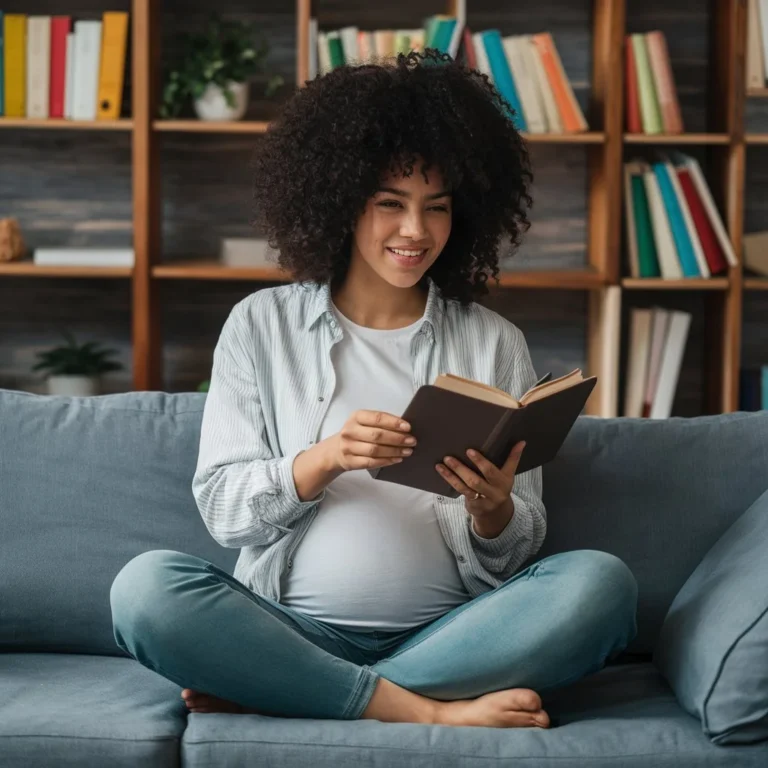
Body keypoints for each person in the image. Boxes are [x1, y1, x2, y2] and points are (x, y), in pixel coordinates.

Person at [110, 49, 638, 730]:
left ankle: (293, 690)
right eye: (391, 203)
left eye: (436, 208)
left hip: (452, 635)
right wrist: (326, 458)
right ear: (340, 198)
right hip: (292, 630)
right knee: (145, 590)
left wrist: (493, 510)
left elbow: (515, 554)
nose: (415, 231)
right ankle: (424, 711)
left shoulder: (494, 342)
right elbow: (225, 511)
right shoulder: (260, 326)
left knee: (603, 585)